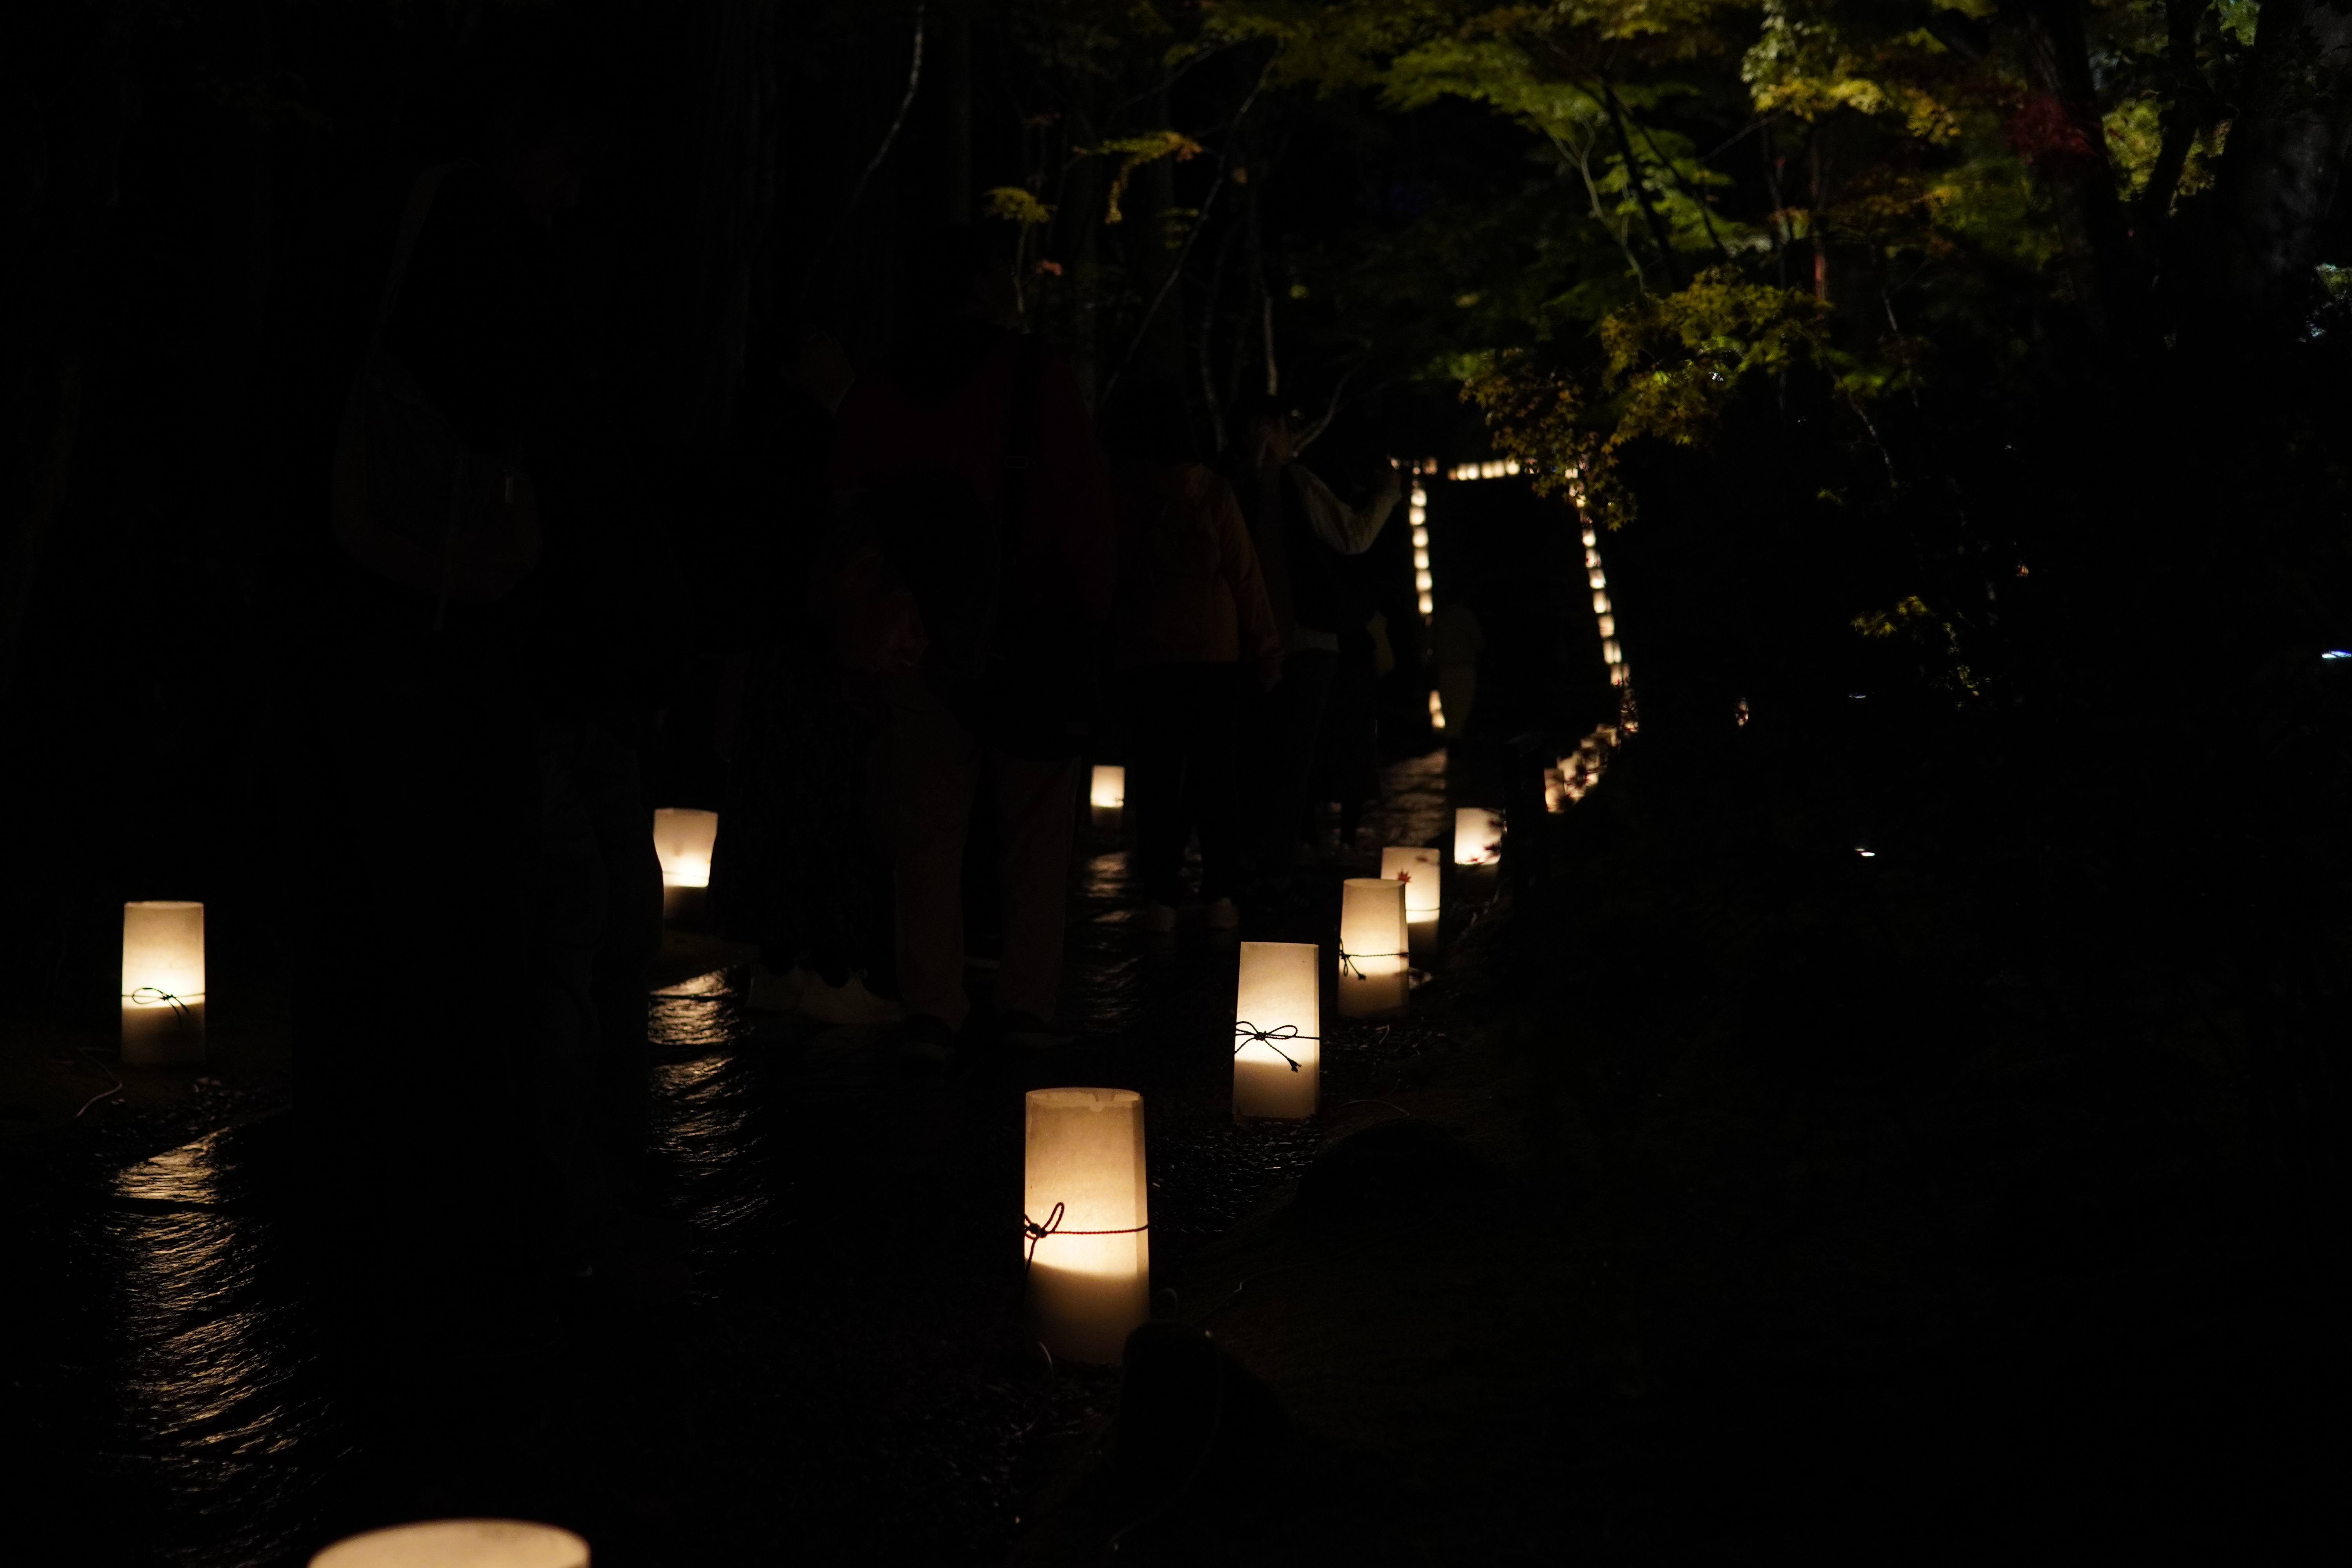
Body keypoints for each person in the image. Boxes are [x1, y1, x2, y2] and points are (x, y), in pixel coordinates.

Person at [828, 226, 1117, 1056]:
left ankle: (933, 1004)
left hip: (916, 637)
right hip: (1029, 630)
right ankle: (1026, 1002)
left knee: (928, 829)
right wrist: (1093, 614)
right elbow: (1082, 508)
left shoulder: (879, 387)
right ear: (983, 283)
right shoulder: (1033, 375)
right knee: (1032, 829)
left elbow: (845, 508)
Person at [1101, 380, 1282, 932]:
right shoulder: (1212, 493)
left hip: (1146, 655)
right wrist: (1267, 647)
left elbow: (1108, 575)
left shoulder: (1122, 492)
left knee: (1157, 780)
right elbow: (1245, 575)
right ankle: (1221, 894)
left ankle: (1161, 897)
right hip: (1212, 656)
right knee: (1215, 777)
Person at [1227, 396, 1401, 894]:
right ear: (1275, 431)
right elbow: (1352, 536)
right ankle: (1276, 869)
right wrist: (1387, 495)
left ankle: (1247, 862)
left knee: (1252, 759)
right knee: (1291, 763)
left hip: (1240, 644)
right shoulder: (1295, 481)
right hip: (1306, 640)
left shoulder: (1226, 484)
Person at [1430, 590, 1486, 739]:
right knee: (1461, 703)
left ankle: (1452, 733)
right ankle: (1454, 734)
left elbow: (1430, 641)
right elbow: (1478, 642)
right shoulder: (1466, 616)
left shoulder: (1440, 617)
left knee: (1448, 702)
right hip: (1464, 666)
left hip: (1445, 666)